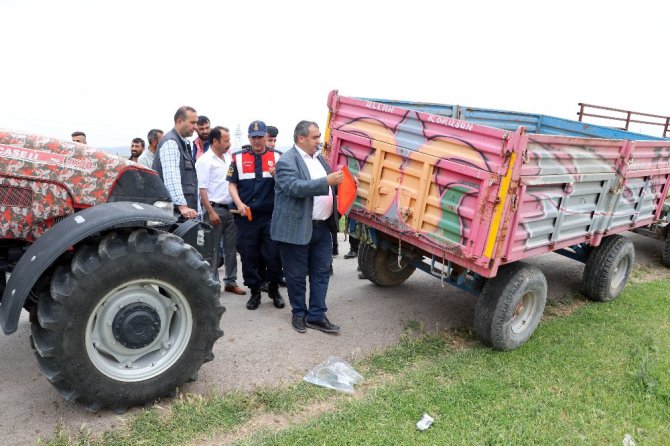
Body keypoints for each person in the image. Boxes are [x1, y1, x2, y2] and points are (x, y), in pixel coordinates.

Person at [271, 120, 344, 334]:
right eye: (315, 137)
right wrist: (327, 181)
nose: (318, 141)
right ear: (300, 138)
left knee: (321, 273)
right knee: (295, 275)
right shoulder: (287, 160)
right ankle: (299, 314)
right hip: (296, 228)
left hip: (322, 228)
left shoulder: (319, 159)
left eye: (319, 136)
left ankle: (317, 315)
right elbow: (293, 187)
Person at [227, 120, 285, 310]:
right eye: (253, 137)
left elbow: (286, 184)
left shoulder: (278, 157)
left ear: (267, 137)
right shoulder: (237, 158)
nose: (257, 141)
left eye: (260, 137)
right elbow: (232, 184)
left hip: (271, 217)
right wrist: (239, 203)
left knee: (273, 256)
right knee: (249, 257)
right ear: (249, 138)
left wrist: (278, 176)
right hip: (247, 217)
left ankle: (274, 290)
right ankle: (255, 293)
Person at [196, 126, 246, 295]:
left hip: (231, 211)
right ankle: (213, 284)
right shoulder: (205, 161)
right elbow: (202, 189)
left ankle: (231, 282)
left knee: (232, 249)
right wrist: (210, 212)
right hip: (215, 209)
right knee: (214, 249)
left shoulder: (228, 158)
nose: (229, 143)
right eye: (226, 141)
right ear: (215, 141)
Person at [153, 106, 200, 219]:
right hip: (177, 214)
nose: (195, 127)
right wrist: (182, 206)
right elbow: (171, 176)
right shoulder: (171, 143)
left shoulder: (183, 143)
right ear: (180, 121)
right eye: (192, 122)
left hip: (185, 213)